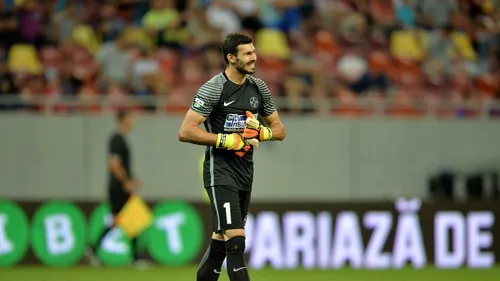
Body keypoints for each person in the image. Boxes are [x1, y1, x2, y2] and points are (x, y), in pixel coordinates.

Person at [178, 32, 286, 281]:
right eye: (247, 53)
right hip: (220, 171)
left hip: (245, 172)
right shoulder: (214, 88)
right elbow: (185, 131)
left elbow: (280, 130)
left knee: (219, 244)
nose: (253, 57)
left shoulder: (258, 88)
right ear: (231, 58)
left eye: (254, 52)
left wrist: (262, 131)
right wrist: (223, 139)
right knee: (236, 240)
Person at [85, 110, 144, 266]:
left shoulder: (120, 139)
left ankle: (94, 248)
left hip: (120, 186)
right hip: (118, 187)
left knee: (126, 219)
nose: (132, 120)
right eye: (130, 117)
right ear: (123, 119)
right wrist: (126, 181)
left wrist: (133, 179)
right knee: (126, 218)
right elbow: (114, 165)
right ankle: (134, 258)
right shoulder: (117, 139)